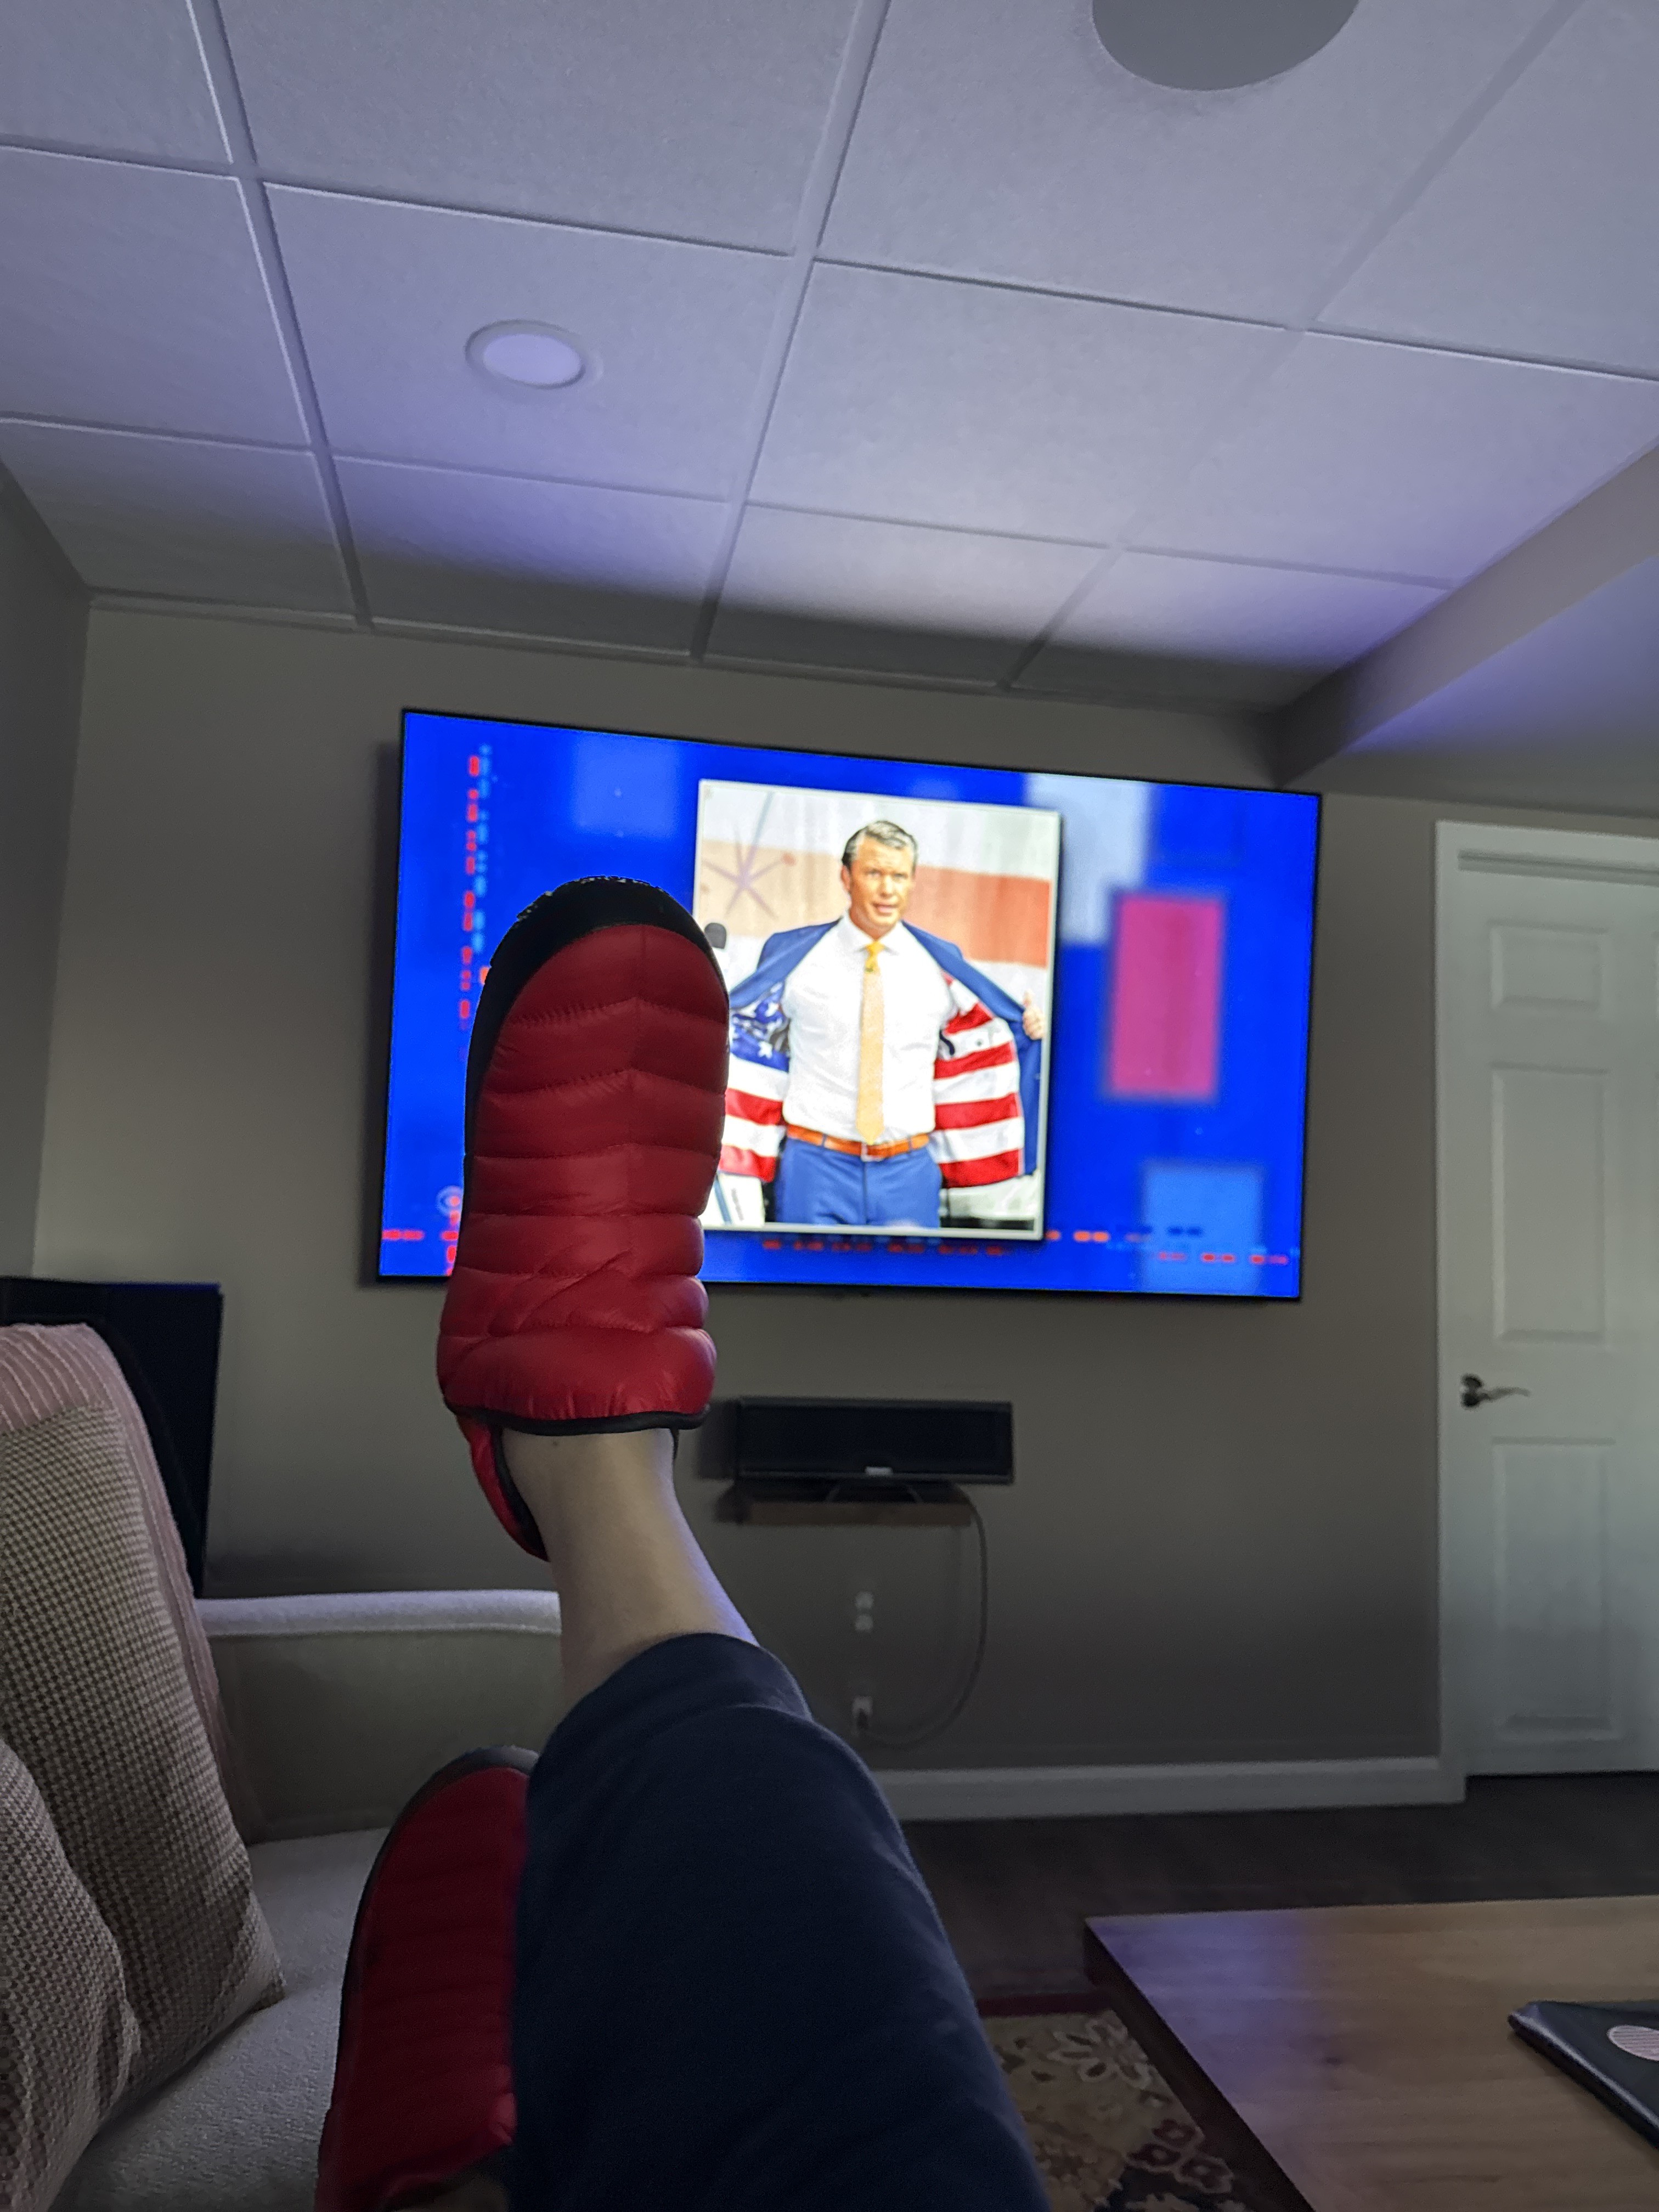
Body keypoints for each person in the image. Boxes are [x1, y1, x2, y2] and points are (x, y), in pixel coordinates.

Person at [315, 877, 1049, 2212]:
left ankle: (567, 1459)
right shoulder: (797, 965)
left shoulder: (952, 983)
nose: (891, 891)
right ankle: (600, 1476)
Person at [718, 822, 1045, 1229]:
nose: (888, 889)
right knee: (806, 1272)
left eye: (899, 876)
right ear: (846, 878)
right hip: (815, 1169)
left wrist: (1026, 1028)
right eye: (874, 873)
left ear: (912, 882)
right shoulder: (793, 955)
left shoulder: (942, 963)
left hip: (908, 1172)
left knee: (910, 1275)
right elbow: (745, 1025)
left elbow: (987, 1034)